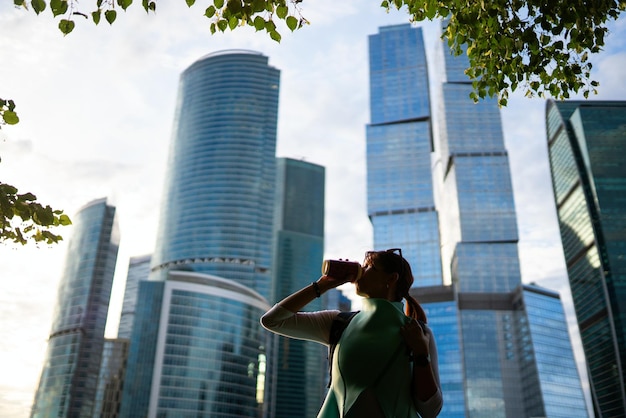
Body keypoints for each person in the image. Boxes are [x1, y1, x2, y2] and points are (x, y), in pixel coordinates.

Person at [260, 248, 443, 418]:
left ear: (391, 278)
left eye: (370, 267)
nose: (361, 271)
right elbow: (272, 320)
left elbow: (431, 410)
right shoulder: (339, 323)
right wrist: (321, 286)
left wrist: (421, 353)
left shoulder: (418, 332)